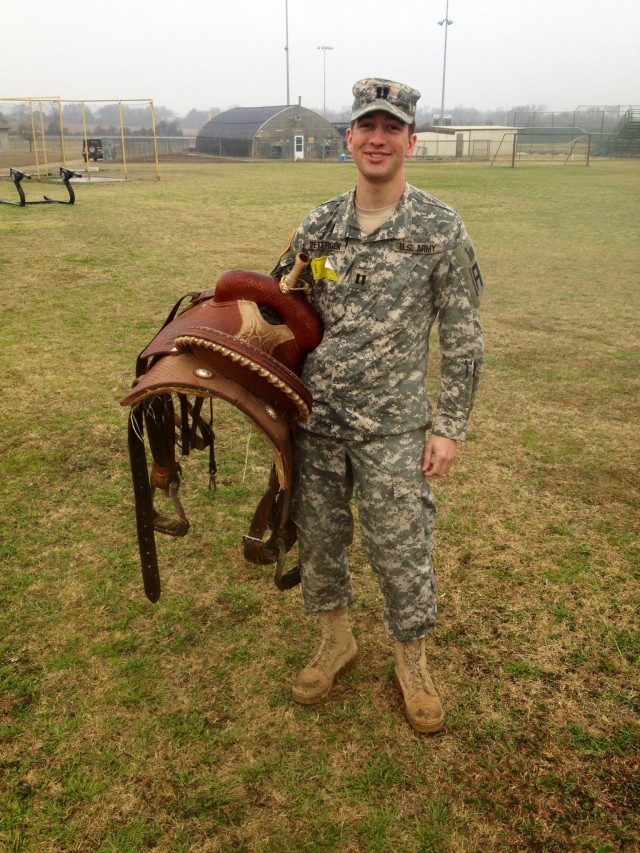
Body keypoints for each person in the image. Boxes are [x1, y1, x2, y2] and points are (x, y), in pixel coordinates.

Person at [271, 78, 484, 733]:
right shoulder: (321, 226)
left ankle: (412, 661)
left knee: (402, 549)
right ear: (349, 139)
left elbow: (463, 332)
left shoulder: (439, 229)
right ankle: (336, 641)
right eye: (367, 126)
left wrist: (448, 425)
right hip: (319, 422)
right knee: (324, 543)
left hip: (394, 426)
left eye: (392, 128)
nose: (377, 138)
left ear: (410, 141)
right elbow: (285, 299)